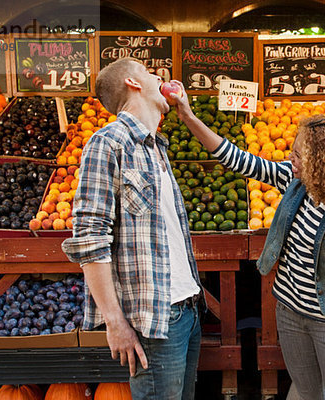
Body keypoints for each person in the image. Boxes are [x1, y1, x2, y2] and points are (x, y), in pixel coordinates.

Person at [170, 81, 325, 400]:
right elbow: (235, 158)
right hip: (291, 313)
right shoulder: (294, 183)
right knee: (308, 393)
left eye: (298, 156)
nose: (290, 159)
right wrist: (186, 114)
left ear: (323, 163)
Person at [61, 58, 203, 400]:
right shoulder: (107, 143)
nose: (161, 78)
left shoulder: (157, 147)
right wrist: (114, 322)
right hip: (154, 319)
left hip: (187, 309)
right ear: (133, 83)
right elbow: (90, 238)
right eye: (152, 74)